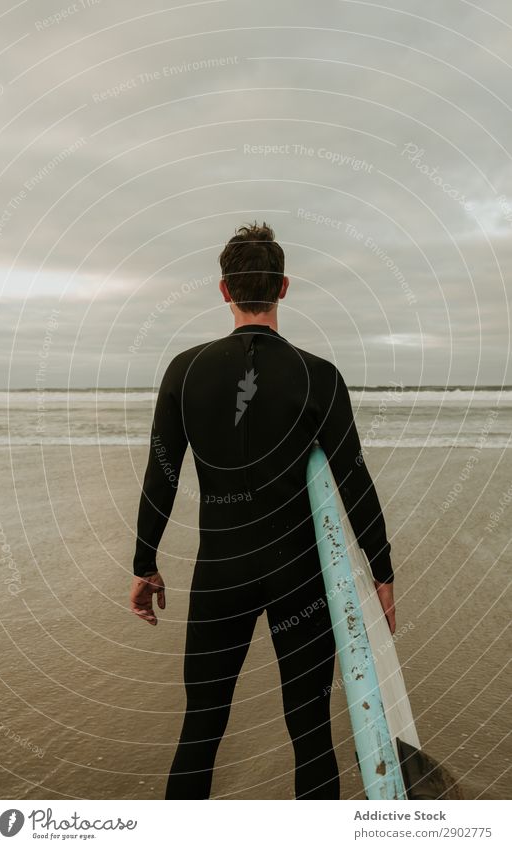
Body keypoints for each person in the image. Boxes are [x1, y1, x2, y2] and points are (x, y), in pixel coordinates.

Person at [129, 221, 395, 800]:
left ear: (224, 291)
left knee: (201, 727)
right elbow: (353, 478)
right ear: (284, 288)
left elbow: (163, 474)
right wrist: (382, 570)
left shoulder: (186, 371)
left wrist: (144, 562)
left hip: (220, 574)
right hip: (298, 575)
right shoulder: (318, 375)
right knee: (309, 730)